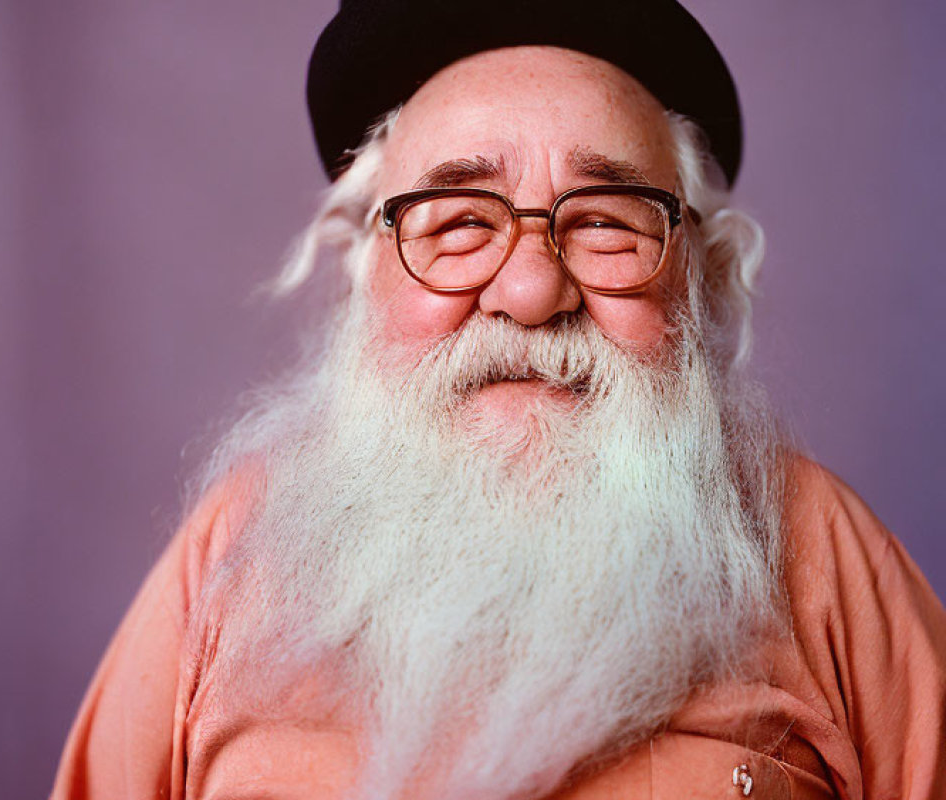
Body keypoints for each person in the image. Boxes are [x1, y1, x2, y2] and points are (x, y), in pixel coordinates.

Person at [50, 1, 946, 798]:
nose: (529, 291)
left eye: (605, 221)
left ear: (699, 280)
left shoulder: (819, 548)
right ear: (369, 277)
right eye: (460, 223)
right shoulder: (235, 548)